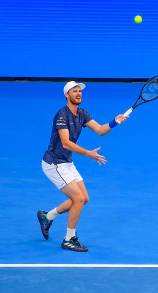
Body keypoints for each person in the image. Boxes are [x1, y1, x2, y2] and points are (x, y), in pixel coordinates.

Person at [37, 81, 128, 252]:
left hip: (66, 162)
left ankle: (47, 217)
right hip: (54, 163)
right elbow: (66, 143)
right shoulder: (61, 115)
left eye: (80, 91)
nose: (78, 93)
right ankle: (69, 239)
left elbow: (100, 130)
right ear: (66, 95)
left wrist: (115, 121)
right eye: (74, 91)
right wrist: (89, 154)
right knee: (77, 199)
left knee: (83, 199)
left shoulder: (82, 113)